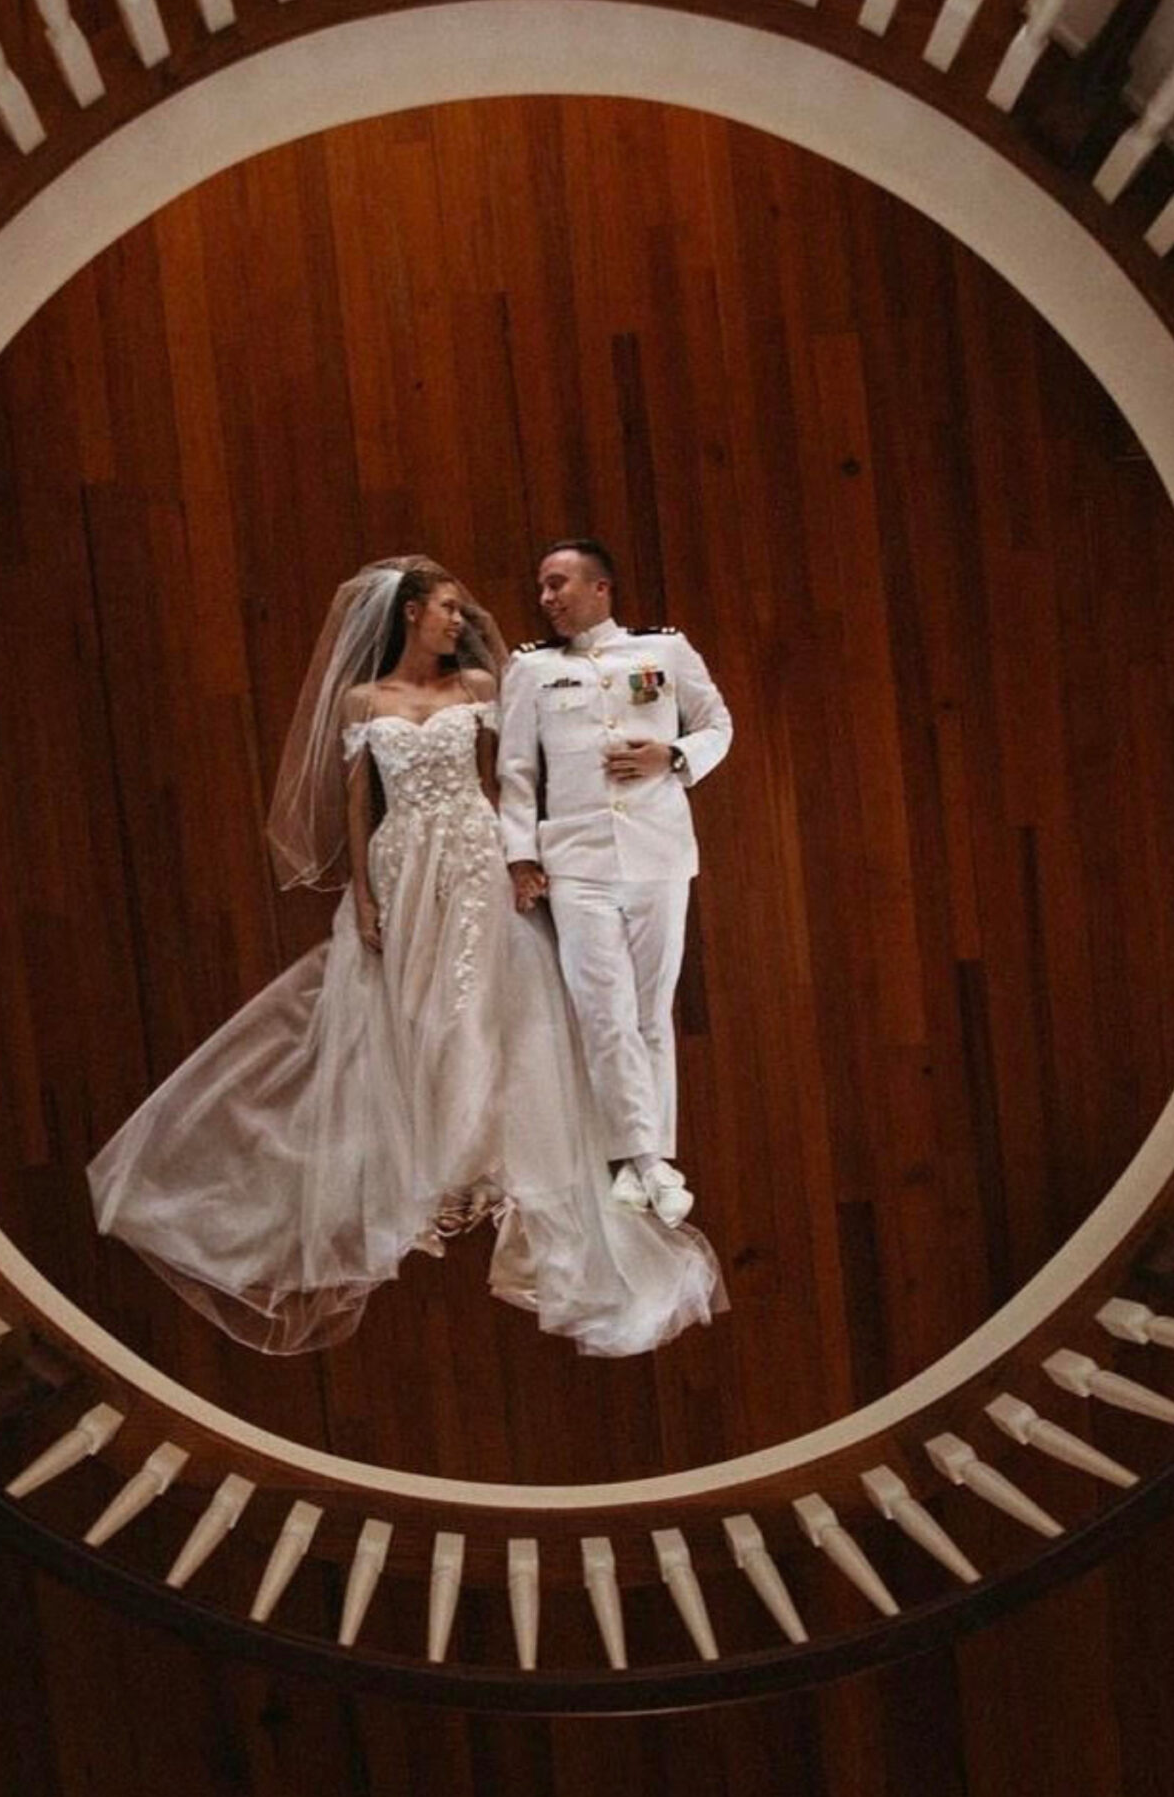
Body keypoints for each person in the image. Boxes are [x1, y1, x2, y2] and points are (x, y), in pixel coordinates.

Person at [88, 557, 723, 1357]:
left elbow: (507, 781)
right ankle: (429, 1169)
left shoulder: (485, 688)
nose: (459, 621)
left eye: (460, 610)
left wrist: (518, 857)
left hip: (473, 850)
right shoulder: (364, 701)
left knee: (492, 1012)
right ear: (411, 615)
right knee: (410, 1015)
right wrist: (361, 891)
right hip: (402, 861)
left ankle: (492, 1165)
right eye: (447, 610)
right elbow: (360, 798)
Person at [499, 541, 733, 1225]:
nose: (546, 598)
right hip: (578, 863)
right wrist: (519, 854)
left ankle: (642, 1161)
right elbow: (515, 771)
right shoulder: (531, 669)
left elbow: (718, 725)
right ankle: (647, 1157)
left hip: (658, 852)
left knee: (648, 1009)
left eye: (557, 583)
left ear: (600, 588)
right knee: (601, 1011)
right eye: (541, 587)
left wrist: (674, 755)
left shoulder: (663, 651)